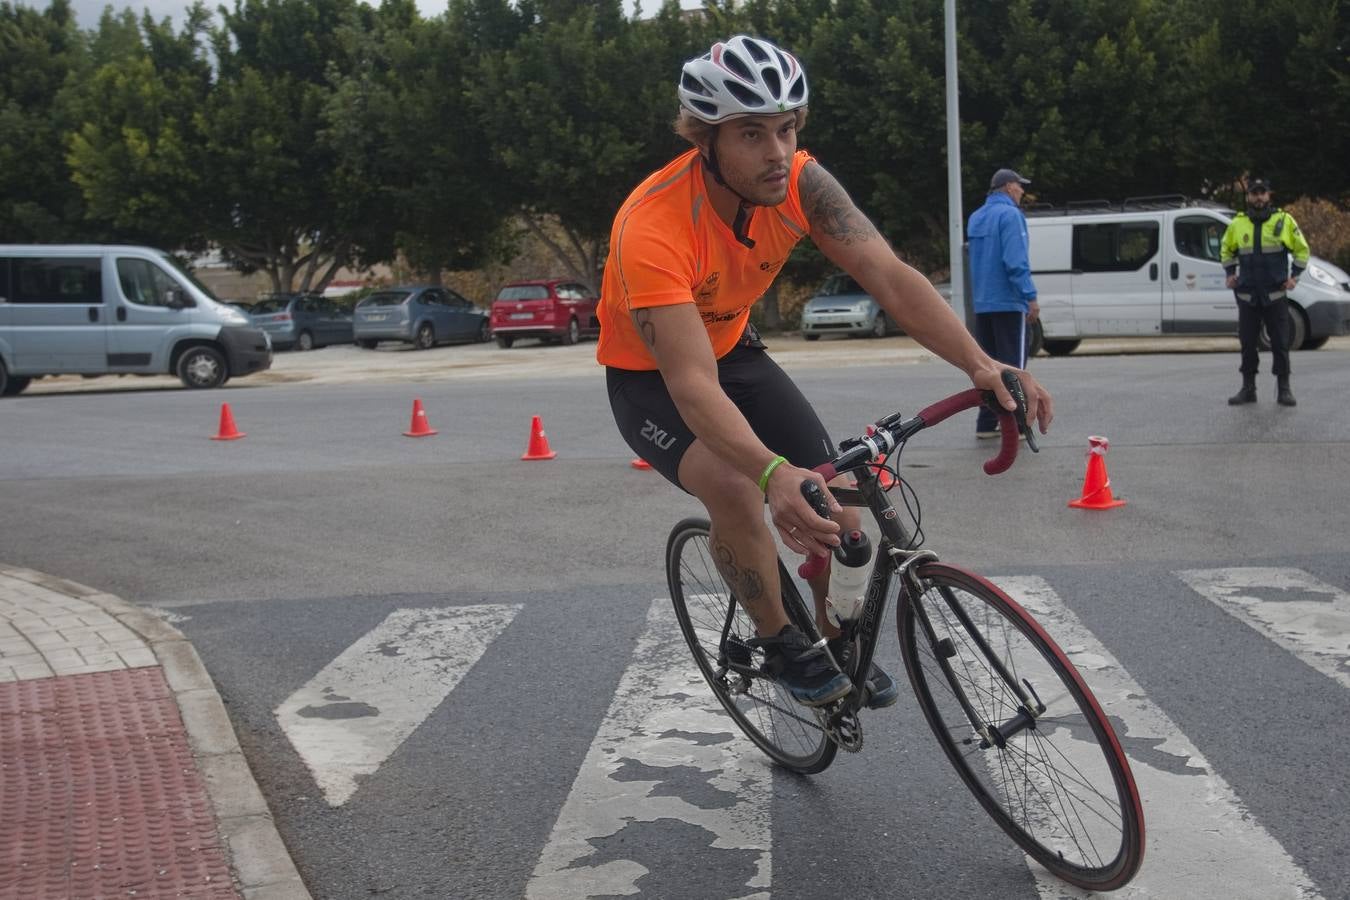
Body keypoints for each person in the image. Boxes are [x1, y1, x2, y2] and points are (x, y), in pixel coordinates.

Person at [596, 35, 1052, 710]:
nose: (777, 151)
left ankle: (833, 636)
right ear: (706, 142)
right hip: (650, 380)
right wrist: (771, 475)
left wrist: (983, 365)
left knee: (839, 501)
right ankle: (780, 639)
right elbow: (690, 385)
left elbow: (889, 278)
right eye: (751, 134)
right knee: (735, 482)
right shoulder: (653, 226)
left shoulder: (802, 183)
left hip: (735, 352)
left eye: (786, 129)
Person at [1220, 177, 1310, 407]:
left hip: (1275, 295)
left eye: (1262, 193)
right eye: (1254, 193)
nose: (1258, 197)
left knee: (1280, 343)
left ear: (1269, 195)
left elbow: (1302, 250)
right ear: (1248, 196)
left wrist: (1294, 277)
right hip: (1247, 295)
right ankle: (1248, 389)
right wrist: (1230, 273)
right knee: (1248, 343)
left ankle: (1284, 389)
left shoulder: (1284, 220)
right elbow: (1226, 249)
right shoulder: (1237, 224)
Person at [967, 168, 1039, 439]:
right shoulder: (1010, 215)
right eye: (1020, 186)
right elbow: (1015, 261)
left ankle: (986, 423)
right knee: (1013, 366)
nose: (1022, 191)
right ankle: (1020, 424)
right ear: (1009, 187)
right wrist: (1029, 296)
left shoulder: (977, 217)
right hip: (1008, 302)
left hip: (984, 303)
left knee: (988, 365)